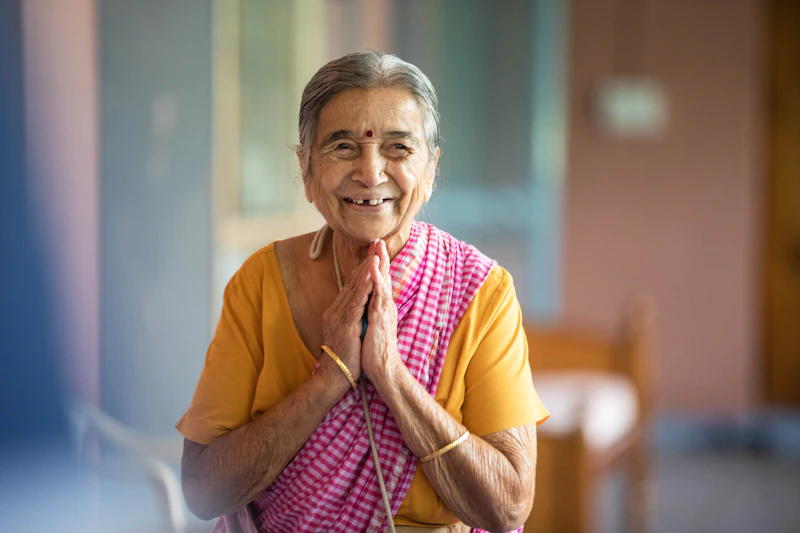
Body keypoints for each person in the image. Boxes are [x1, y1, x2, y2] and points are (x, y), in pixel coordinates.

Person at [177, 51, 548, 533]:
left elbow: (509, 506)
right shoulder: (260, 281)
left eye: (398, 148)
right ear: (306, 169)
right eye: (343, 147)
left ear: (431, 169)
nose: (371, 173)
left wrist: (391, 375)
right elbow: (203, 492)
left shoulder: (482, 291)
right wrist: (329, 376)